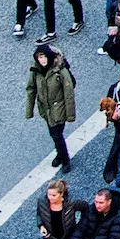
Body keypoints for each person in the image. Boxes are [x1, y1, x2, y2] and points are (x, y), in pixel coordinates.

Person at [27, 42, 79, 171]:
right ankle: (60, 154)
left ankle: (65, 159)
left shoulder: (60, 70)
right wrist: (29, 110)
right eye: (39, 57)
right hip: (46, 109)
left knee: (56, 135)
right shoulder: (36, 70)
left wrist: (70, 114)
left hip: (58, 108)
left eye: (44, 57)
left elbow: (68, 93)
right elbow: (31, 89)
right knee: (55, 134)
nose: (42, 60)